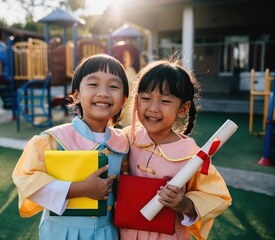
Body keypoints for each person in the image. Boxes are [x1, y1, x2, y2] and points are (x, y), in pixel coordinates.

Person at [12, 54, 129, 240]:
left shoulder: (123, 143)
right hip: (61, 232)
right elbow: (26, 179)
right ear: (76, 95)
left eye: (113, 86)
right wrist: (80, 189)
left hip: (107, 233)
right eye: (93, 84)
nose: (104, 93)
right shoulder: (52, 139)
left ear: (123, 100)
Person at [119, 59, 232, 240]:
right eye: (146, 98)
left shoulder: (191, 156)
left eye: (165, 101)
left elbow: (216, 196)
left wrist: (186, 204)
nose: (153, 108)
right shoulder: (126, 138)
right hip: (125, 233)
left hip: (167, 235)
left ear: (183, 109)